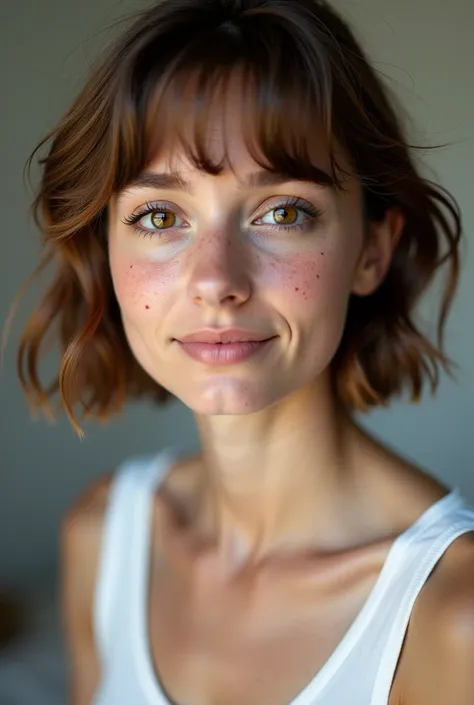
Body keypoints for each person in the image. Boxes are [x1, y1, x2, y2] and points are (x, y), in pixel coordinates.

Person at [16, 0, 474, 703]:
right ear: (104, 247)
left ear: (372, 251)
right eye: (160, 216)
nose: (216, 280)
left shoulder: (452, 616)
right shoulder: (102, 539)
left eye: (283, 212)